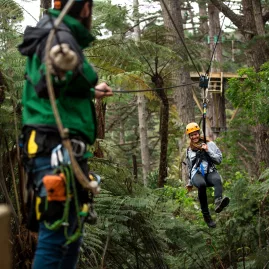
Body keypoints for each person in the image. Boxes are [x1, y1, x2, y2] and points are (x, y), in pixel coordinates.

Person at [18, 0, 113, 268]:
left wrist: (89, 91)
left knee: (70, 236)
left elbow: (55, 85)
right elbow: (52, 76)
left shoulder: (54, 31)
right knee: (56, 235)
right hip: (54, 150)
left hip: (57, 151)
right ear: (84, 8)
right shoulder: (59, 36)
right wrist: (70, 71)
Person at [185, 122, 229, 228]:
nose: (194, 137)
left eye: (195, 134)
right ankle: (206, 216)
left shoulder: (210, 144)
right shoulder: (189, 150)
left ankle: (218, 202)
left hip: (209, 171)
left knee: (217, 179)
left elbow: (219, 160)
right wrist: (190, 182)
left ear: (198, 133)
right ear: (189, 137)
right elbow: (190, 167)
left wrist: (208, 151)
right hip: (197, 174)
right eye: (191, 135)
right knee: (201, 184)